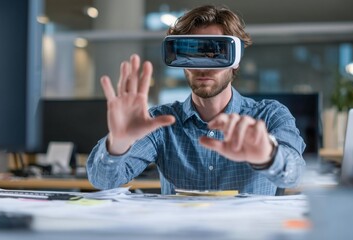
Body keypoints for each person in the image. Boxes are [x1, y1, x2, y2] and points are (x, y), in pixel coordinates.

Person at [87, 5, 306, 195]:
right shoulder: (160, 123)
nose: (202, 66)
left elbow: (295, 174)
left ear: (236, 60)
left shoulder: (269, 116)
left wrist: (269, 155)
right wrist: (118, 144)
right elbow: (103, 181)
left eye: (215, 54)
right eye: (191, 53)